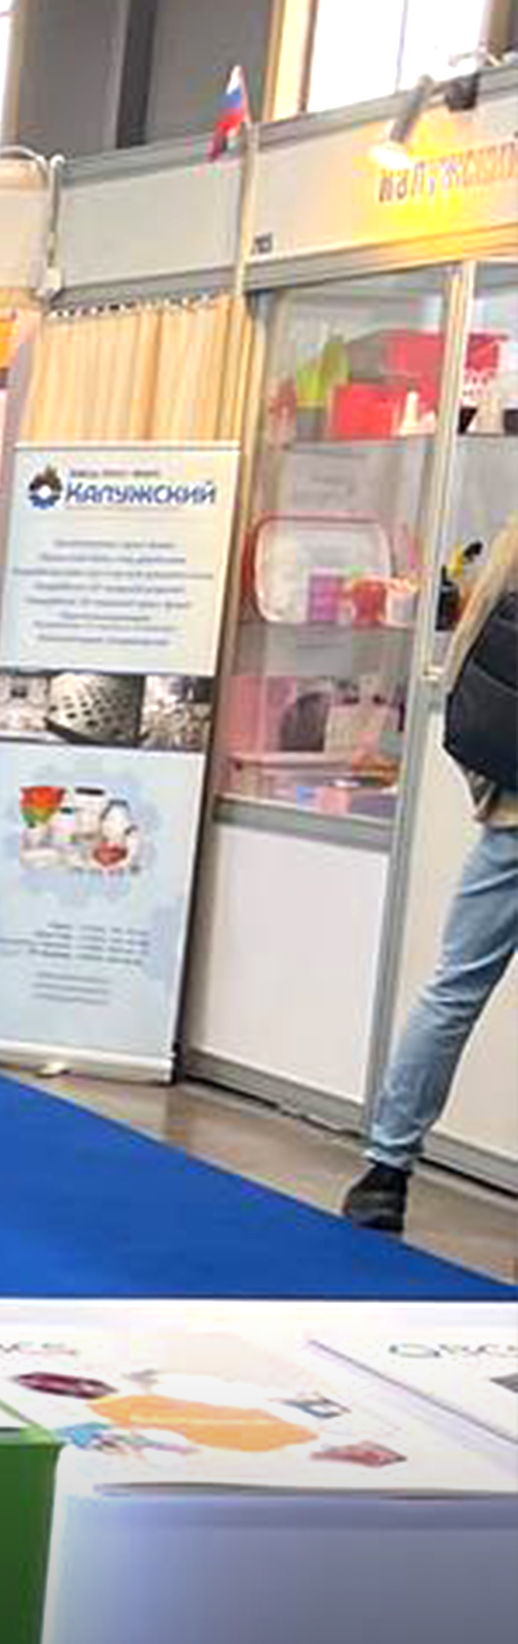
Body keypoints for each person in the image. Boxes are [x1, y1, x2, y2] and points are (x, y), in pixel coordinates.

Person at [343, 526, 518, 1233]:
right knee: (452, 992)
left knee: (454, 991)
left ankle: (386, 1173)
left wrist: (492, 787)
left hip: (513, 820)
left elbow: (467, 657)